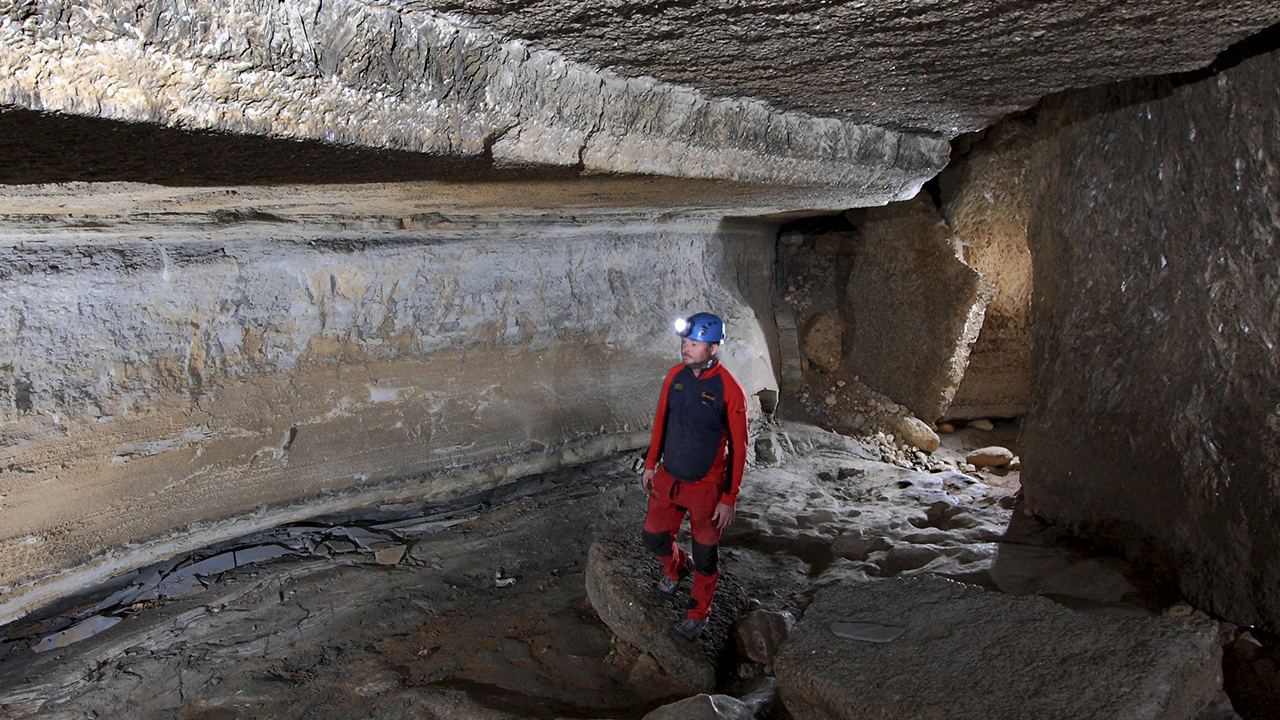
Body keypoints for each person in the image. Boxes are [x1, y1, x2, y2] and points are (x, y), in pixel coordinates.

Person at [640, 311, 748, 643]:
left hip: (706, 487)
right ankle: (676, 567)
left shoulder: (730, 390)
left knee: (705, 556)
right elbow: (661, 421)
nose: (685, 349)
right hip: (669, 477)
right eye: (685, 342)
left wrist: (729, 498)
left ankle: (698, 614)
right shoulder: (675, 376)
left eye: (693, 344)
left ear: (713, 348)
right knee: (653, 539)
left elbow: (740, 447)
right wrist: (650, 464)